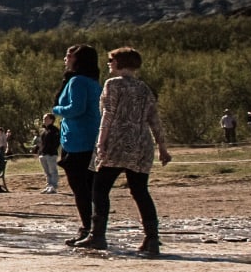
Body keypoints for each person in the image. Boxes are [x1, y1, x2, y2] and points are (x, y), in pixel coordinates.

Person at [74, 48, 172, 256]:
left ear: (119, 62)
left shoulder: (113, 84)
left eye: (111, 60)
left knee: (100, 189)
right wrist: (162, 147)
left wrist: (100, 142)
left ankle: (98, 235)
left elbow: (108, 114)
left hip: (117, 141)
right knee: (140, 190)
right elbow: (154, 119)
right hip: (141, 143)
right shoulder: (144, 88)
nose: (109, 63)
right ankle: (152, 238)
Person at [54, 45, 103, 245]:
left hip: (78, 140)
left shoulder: (77, 81)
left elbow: (76, 108)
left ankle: (87, 229)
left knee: (80, 187)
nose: (65, 58)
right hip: (91, 138)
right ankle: (94, 229)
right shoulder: (93, 82)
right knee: (91, 186)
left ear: (77, 59)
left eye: (69, 55)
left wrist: (56, 109)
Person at [35, 114, 61, 193]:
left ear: (51, 120)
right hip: (43, 154)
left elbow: (57, 142)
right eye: (43, 118)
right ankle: (49, 185)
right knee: (47, 172)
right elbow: (41, 143)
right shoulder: (44, 131)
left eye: (46, 118)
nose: (44, 120)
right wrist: (39, 151)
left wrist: (51, 150)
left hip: (51, 154)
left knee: (53, 171)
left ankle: (54, 186)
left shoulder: (55, 130)